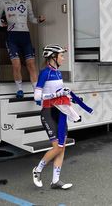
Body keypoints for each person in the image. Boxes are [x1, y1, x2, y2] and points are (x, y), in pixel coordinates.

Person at [32, 44, 74, 190]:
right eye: (61, 55)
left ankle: (55, 181)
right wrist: (55, 95)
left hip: (60, 112)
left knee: (62, 148)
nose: (63, 58)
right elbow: (37, 96)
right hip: (48, 112)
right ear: (52, 57)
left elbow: (59, 92)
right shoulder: (45, 73)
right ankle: (37, 170)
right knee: (57, 147)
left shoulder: (59, 73)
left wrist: (67, 95)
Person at [0, 0, 46, 98]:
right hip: (12, 36)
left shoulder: (27, 1)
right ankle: (19, 89)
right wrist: (0, 23)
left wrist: (39, 20)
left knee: (31, 64)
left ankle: (36, 91)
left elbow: (32, 19)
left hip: (25, 36)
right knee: (17, 64)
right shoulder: (3, 1)